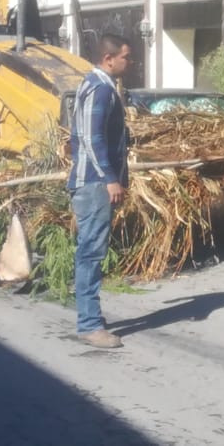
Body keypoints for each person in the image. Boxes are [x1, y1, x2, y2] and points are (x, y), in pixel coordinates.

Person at [67, 33, 132, 349]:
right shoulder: (101, 88)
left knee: (90, 251)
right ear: (109, 59)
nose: (128, 62)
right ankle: (90, 325)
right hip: (94, 184)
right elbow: (91, 139)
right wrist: (109, 178)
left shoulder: (94, 85)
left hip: (91, 181)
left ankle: (90, 319)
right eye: (125, 57)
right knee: (91, 252)